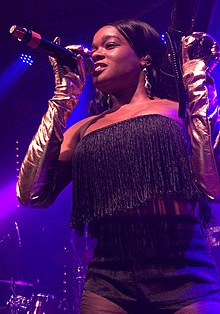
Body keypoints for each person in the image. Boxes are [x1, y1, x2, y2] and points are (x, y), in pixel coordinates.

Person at [16, 19, 220, 313]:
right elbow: (30, 194)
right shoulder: (83, 129)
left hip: (184, 270)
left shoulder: (177, 111)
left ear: (144, 57)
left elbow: (213, 184)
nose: (96, 54)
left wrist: (199, 86)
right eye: (94, 48)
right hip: (109, 277)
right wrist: (63, 97)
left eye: (109, 46)